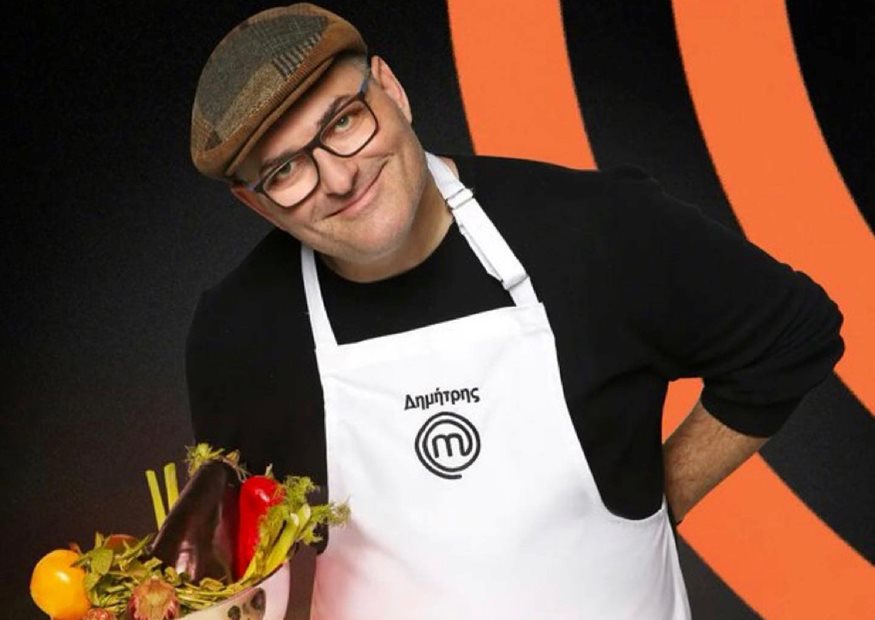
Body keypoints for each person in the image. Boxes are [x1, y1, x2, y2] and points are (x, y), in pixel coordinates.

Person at [185, 4, 845, 618]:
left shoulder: (595, 230)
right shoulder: (238, 336)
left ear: (390, 89)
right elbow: (239, 561)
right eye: (285, 171)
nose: (339, 177)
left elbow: (795, 336)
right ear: (255, 202)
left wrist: (653, 501)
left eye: (344, 122)